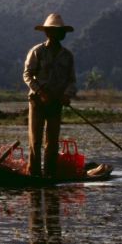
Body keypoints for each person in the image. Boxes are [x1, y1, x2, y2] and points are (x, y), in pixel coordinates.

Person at [23, 13, 77, 179]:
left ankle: (50, 174)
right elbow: (27, 75)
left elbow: (72, 81)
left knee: (52, 141)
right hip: (38, 101)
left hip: (56, 102)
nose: (57, 34)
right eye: (53, 31)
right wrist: (40, 92)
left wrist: (67, 95)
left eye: (59, 31)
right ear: (47, 33)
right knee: (36, 140)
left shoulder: (67, 56)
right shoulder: (37, 51)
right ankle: (34, 174)